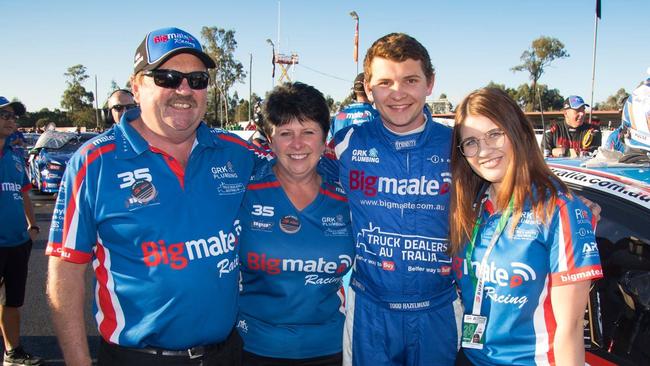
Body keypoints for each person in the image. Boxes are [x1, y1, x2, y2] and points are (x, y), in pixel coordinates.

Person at [46, 27, 266, 366]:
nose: (184, 90)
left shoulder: (238, 153)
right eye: (166, 77)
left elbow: (298, 168)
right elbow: (65, 270)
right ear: (136, 86)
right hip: (136, 357)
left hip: (225, 354)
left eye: (197, 79)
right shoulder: (94, 162)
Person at [327, 33, 460, 366]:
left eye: (411, 80)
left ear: (430, 84)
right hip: (370, 311)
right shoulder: (346, 143)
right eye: (385, 82)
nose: (398, 93)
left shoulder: (460, 146)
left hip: (440, 309)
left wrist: (562, 196)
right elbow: (290, 168)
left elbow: (513, 178)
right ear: (369, 89)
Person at [448, 88, 603, 365]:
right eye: (471, 142)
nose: (484, 150)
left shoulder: (560, 210)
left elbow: (571, 327)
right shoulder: (471, 204)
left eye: (494, 134)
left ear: (518, 131)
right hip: (470, 357)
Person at [236, 82, 354, 365]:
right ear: (269, 138)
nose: (297, 145)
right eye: (286, 133)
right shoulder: (242, 189)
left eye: (308, 132)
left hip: (331, 348)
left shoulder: (348, 191)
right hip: (253, 348)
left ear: (325, 137)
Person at [0, 96, 43, 366]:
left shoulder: (15, 157)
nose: (11, 120)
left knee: (12, 301)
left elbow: (24, 192)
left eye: (12, 117)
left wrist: (33, 226)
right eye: (4, 116)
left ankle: (12, 352)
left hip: (18, 242)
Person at [327, 72, 378, 141]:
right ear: (370, 90)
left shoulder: (338, 117)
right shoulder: (377, 116)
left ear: (354, 92)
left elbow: (329, 145)